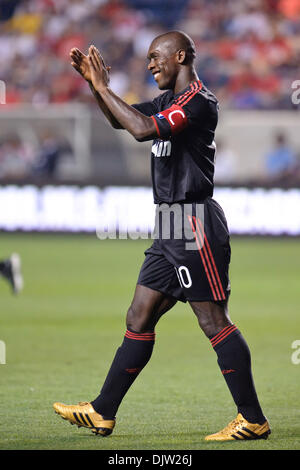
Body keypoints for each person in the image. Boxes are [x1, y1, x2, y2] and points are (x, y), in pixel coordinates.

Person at [53, 31, 271, 441]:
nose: (150, 64)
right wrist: (97, 89)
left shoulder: (198, 102)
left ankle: (252, 419)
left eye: (156, 57)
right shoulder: (166, 102)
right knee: (139, 315)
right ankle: (103, 411)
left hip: (193, 222)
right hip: (169, 224)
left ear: (181, 56)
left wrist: (104, 87)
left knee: (213, 320)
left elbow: (139, 131)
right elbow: (121, 121)